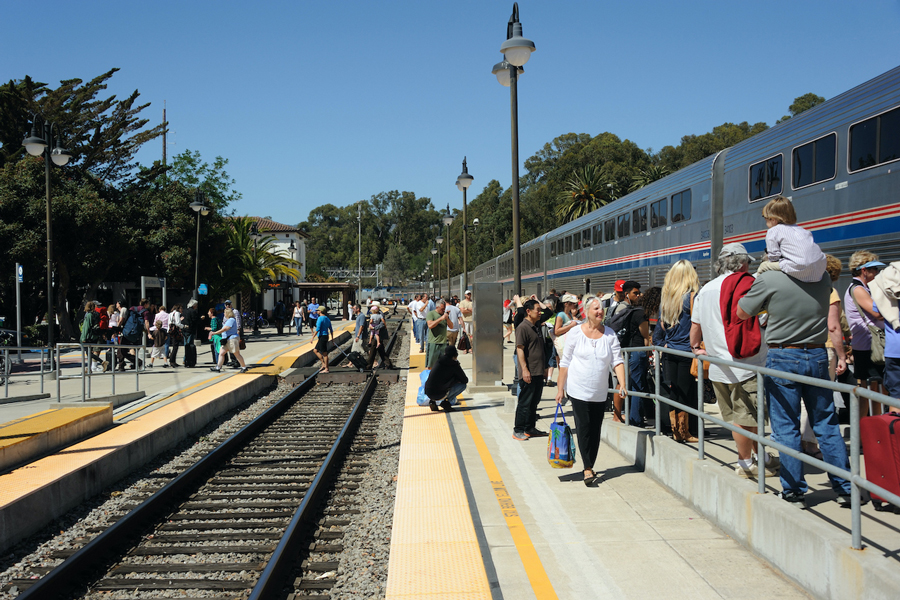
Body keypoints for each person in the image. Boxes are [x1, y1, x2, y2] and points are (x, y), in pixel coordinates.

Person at [737, 258, 859, 506]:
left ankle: (794, 489)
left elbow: (741, 312)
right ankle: (845, 487)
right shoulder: (823, 277)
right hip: (816, 354)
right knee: (826, 422)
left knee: (785, 426)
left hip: (783, 354)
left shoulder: (769, 279)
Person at [690, 244, 774, 477]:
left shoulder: (706, 289)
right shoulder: (750, 285)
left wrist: (696, 348)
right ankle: (746, 463)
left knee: (741, 417)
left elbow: (695, 327)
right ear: (743, 263)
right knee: (745, 417)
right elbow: (765, 320)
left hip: (718, 366)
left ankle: (761, 457)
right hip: (747, 363)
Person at [556, 295, 627, 485]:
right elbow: (565, 362)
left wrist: (622, 383)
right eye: (595, 309)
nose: (600, 311)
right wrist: (560, 388)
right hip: (578, 390)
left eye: (601, 309)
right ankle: (588, 467)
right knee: (583, 428)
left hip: (599, 391)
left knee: (595, 430)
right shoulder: (575, 333)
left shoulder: (610, 334)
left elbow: (617, 361)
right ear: (587, 312)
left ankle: (590, 462)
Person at [658, 260, 701, 441]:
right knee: (685, 391)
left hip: (670, 352)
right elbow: (696, 325)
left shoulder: (667, 299)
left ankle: (676, 430)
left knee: (674, 391)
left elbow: (661, 325)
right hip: (686, 351)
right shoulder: (691, 297)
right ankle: (684, 432)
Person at [844, 251, 887, 415]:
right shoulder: (857, 289)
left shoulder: (863, 288)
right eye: (874, 269)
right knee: (869, 392)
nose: (877, 272)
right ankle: (864, 433)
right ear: (864, 270)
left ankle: (872, 433)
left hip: (869, 346)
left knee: (876, 392)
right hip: (867, 348)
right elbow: (877, 312)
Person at [609, 281, 651, 427]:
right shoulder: (633, 311)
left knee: (627, 383)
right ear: (626, 294)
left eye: (639, 293)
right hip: (631, 351)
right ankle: (628, 417)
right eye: (636, 293)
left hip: (625, 350)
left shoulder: (627, 309)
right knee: (629, 384)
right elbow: (645, 336)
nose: (639, 295)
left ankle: (621, 414)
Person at [757, 196, 827, 283]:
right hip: (819, 267)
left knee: (763, 266)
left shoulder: (773, 231)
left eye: (766, 219)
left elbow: (774, 258)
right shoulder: (803, 230)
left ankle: (757, 288)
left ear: (773, 219)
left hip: (799, 266)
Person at [512, 298, 551, 441]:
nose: (540, 312)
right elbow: (520, 349)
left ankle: (530, 428)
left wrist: (545, 368)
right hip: (529, 371)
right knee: (525, 402)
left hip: (539, 371)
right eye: (537, 310)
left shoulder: (536, 326)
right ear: (528, 311)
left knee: (534, 402)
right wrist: (524, 370)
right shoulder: (523, 327)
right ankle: (518, 429)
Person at [871, 262, 900, 398]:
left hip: (893, 351)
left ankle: (895, 419)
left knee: (895, 395)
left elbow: (879, 314)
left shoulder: (882, 289)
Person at [424, 345, 468, 412]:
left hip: (428, 391)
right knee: (462, 386)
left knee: (439, 383)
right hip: (439, 394)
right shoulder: (454, 365)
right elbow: (465, 380)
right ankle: (446, 402)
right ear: (455, 355)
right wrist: (456, 379)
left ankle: (432, 402)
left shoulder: (439, 361)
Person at [425, 299, 452, 369]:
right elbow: (430, 325)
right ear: (437, 307)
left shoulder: (444, 315)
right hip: (434, 343)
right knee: (431, 365)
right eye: (442, 309)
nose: (443, 311)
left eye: (444, 309)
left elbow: (451, 326)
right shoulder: (431, 314)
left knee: (444, 364)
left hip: (443, 343)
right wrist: (441, 319)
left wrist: (447, 319)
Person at [367, 302, 392, 369]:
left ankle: (368, 366)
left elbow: (382, 324)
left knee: (373, 350)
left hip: (378, 334)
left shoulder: (380, 313)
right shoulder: (377, 313)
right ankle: (388, 364)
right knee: (381, 350)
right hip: (377, 334)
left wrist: (374, 328)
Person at [312, 305, 334, 373]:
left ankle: (327, 369)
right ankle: (323, 364)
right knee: (315, 350)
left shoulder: (320, 318)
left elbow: (317, 329)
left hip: (322, 337)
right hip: (325, 336)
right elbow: (331, 329)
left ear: (320, 311)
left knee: (324, 353)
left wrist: (312, 337)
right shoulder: (327, 318)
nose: (317, 311)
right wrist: (332, 338)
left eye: (318, 310)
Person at [182, 299, 199, 367]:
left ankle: (186, 360)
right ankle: (189, 360)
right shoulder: (193, 312)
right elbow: (194, 321)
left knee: (186, 346)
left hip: (184, 330)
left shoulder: (184, 311)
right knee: (190, 345)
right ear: (194, 305)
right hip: (191, 330)